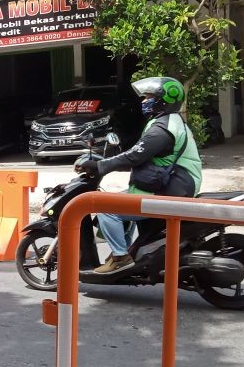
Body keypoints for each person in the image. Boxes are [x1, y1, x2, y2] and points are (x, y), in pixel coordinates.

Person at [76, 77, 202, 274]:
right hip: (171, 184)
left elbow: (136, 155)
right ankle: (126, 251)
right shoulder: (168, 122)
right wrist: (110, 163)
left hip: (171, 189)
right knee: (122, 200)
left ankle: (120, 257)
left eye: (150, 97)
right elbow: (144, 158)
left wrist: (100, 166)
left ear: (164, 100)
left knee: (104, 207)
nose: (144, 101)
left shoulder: (162, 129)